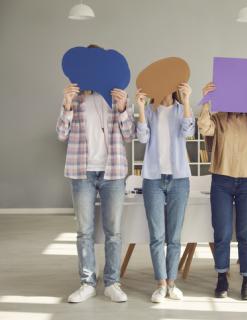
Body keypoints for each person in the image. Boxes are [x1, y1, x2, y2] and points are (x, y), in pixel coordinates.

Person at [56, 45, 135, 303]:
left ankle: (112, 282)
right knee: (84, 231)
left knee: (113, 231)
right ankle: (87, 282)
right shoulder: (75, 100)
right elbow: (61, 134)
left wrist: (123, 109)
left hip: (113, 172)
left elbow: (128, 135)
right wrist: (66, 106)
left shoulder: (116, 98)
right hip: (82, 172)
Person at [198, 82, 247, 300]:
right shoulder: (219, 117)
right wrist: (205, 100)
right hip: (221, 180)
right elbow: (204, 126)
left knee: (246, 233)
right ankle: (222, 277)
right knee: (222, 233)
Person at [135, 83, 195, 303]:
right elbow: (142, 138)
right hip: (153, 179)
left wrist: (187, 101)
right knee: (157, 236)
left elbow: (189, 132)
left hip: (179, 179)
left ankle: (172, 283)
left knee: (175, 237)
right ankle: (160, 284)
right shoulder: (150, 111)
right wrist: (141, 108)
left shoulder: (181, 110)